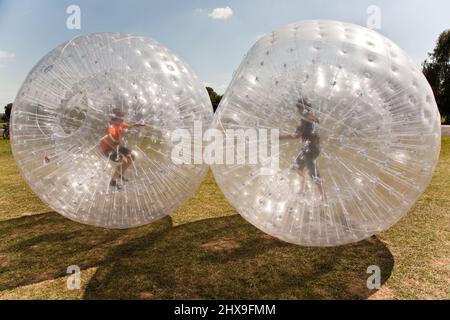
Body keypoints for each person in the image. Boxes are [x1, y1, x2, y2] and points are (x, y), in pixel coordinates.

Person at [280, 99, 325, 201]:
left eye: (299, 108)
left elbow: (296, 135)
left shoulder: (304, 121)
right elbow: (315, 133)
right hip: (314, 148)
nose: (298, 111)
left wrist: (281, 137)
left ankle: (323, 196)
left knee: (313, 172)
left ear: (302, 109)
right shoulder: (314, 118)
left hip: (310, 149)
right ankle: (303, 189)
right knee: (298, 167)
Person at [99, 107, 144, 189]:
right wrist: (114, 141)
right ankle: (113, 182)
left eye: (123, 115)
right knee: (125, 161)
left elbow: (128, 126)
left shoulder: (120, 123)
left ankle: (119, 174)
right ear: (117, 117)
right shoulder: (111, 126)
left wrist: (136, 125)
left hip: (116, 147)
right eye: (122, 116)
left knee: (132, 156)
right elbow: (108, 137)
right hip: (108, 149)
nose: (124, 118)